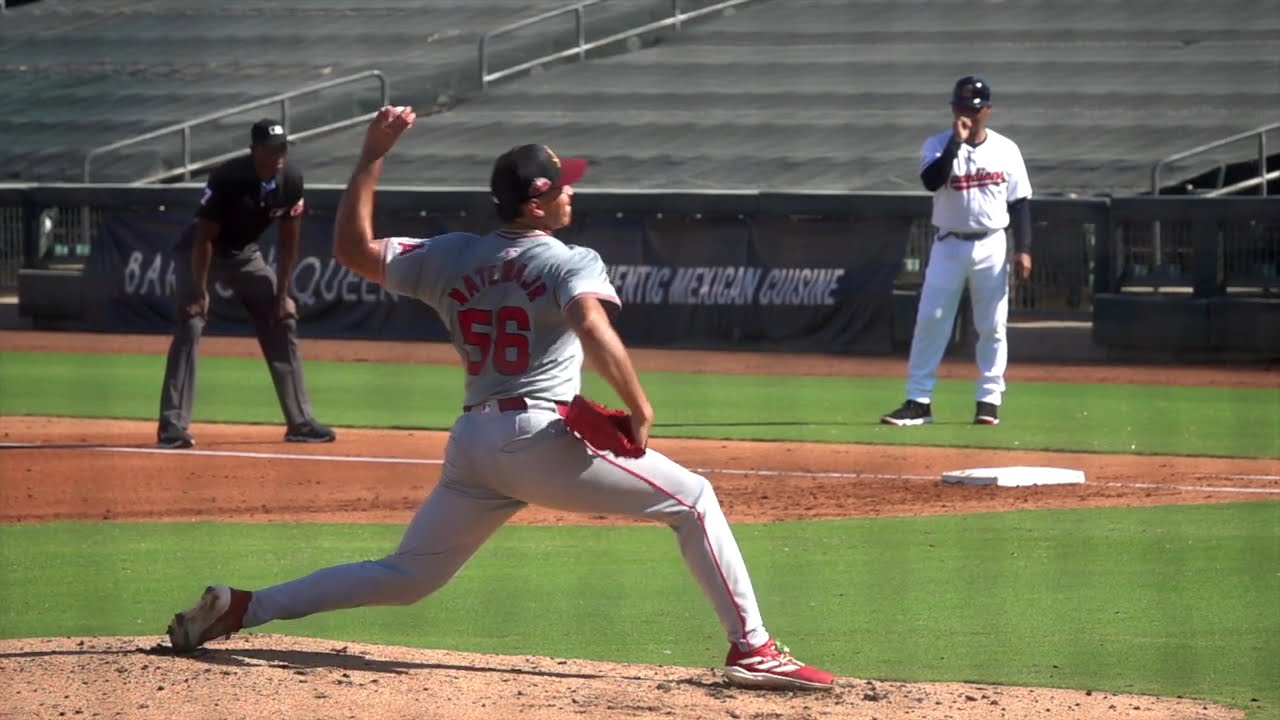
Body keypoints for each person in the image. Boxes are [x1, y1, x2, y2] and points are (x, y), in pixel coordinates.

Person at [164, 106, 836, 691]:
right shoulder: (569, 258)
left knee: (406, 576)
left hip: (474, 446)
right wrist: (638, 401)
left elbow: (352, 250)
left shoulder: (453, 254)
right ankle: (754, 649)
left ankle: (243, 607)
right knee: (693, 500)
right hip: (534, 438)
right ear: (538, 202)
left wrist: (371, 156)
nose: (573, 190)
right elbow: (591, 323)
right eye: (563, 183)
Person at [155, 118, 335, 448]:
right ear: (255, 150)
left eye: (283, 148)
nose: (279, 154)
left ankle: (300, 422)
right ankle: (172, 427)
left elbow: (288, 242)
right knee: (191, 321)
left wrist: (283, 295)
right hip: (201, 250)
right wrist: (198, 292)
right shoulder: (229, 178)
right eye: (272, 149)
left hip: (244, 254)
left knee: (283, 320)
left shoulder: (291, 180)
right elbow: (205, 237)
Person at [882, 75, 1033, 427]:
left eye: (976, 108)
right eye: (963, 107)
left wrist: (1024, 248)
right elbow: (932, 181)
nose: (969, 113)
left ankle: (988, 401)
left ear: (988, 110)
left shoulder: (1006, 149)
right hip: (949, 244)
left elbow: (1021, 203)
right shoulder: (937, 145)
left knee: (991, 325)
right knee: (931, 322)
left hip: (991, 243)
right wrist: (955, 143)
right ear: (953, 109)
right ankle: (919, 402)